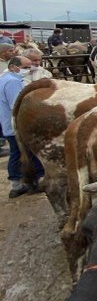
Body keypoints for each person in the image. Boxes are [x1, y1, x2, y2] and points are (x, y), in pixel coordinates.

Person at [1, 56, 46, 197]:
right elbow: (17, 105)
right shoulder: (13, 82)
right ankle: (24, 183)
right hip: (16, 124)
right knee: (23, 152)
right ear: (14, 67)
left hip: (8, 122)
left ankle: (19, 184)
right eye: (26, 67)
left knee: (18, 152)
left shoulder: (5, 78)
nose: (29, 69)